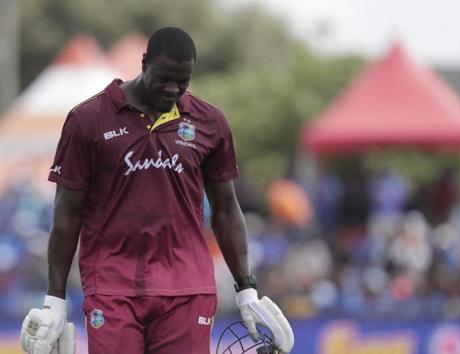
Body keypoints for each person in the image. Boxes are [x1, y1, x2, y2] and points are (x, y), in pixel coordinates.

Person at [20, 27, 294, 354]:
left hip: (188, 287)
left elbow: (225, 209)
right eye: (164, 78)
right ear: (144, 62)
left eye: (183, 81)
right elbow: (67, 215)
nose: (173, 89)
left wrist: (246, 290)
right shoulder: (88, 120)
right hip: (111, 286)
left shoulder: (210, 122)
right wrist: (54, 300)